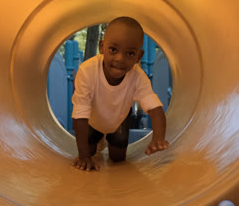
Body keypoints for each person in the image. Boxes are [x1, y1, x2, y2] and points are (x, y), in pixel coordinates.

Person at [71, 16, 169, 171]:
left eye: (130, 53)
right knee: (88, 152)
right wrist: (83, 157)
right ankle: (98, 140)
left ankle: (107, 139)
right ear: (102, 47)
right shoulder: (87, 71)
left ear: (138, 56)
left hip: (119, 120)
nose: (120, 58)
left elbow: (155, 109)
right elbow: (80, 116)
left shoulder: (138, 76)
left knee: (118, 158)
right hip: (92, 119)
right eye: (113, 49)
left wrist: (158, 138)